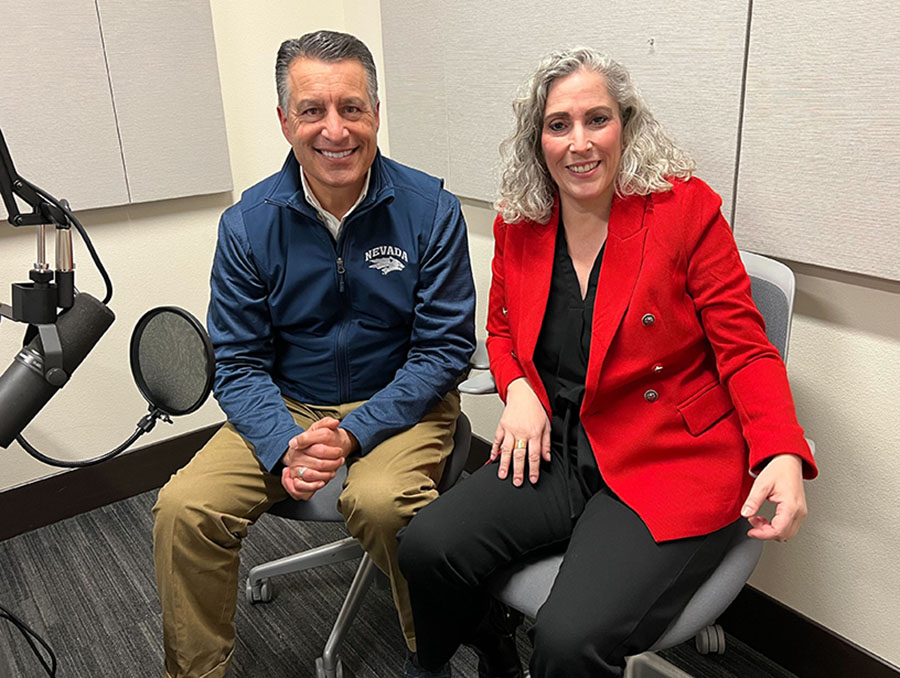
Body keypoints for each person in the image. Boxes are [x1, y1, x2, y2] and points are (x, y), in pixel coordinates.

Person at [398, 47, 818, 678]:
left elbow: (746, 347)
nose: (580, 143)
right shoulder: (521, 221)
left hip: (665, 456)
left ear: (626, 123)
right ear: (536, 139)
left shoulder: (685, 210)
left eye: (597, 119)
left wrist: (780, 451)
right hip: (561, 447)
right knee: (426, 547)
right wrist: (517, 390)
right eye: (559, 124)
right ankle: (487, 645)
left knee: (568, 640)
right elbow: (504, 330)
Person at [152, 30, 475, 678]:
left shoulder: (430, 210)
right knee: (184, 509)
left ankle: (430, 652)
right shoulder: (248, 224)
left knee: (381, 503)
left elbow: (445, 349)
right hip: (287, 403)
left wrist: (354, 433)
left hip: (399, 404)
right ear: (284, 121)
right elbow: (239, 363)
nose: (335, 130)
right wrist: (281, 441)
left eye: (352, 107)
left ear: (376, 113)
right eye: (312, 110)